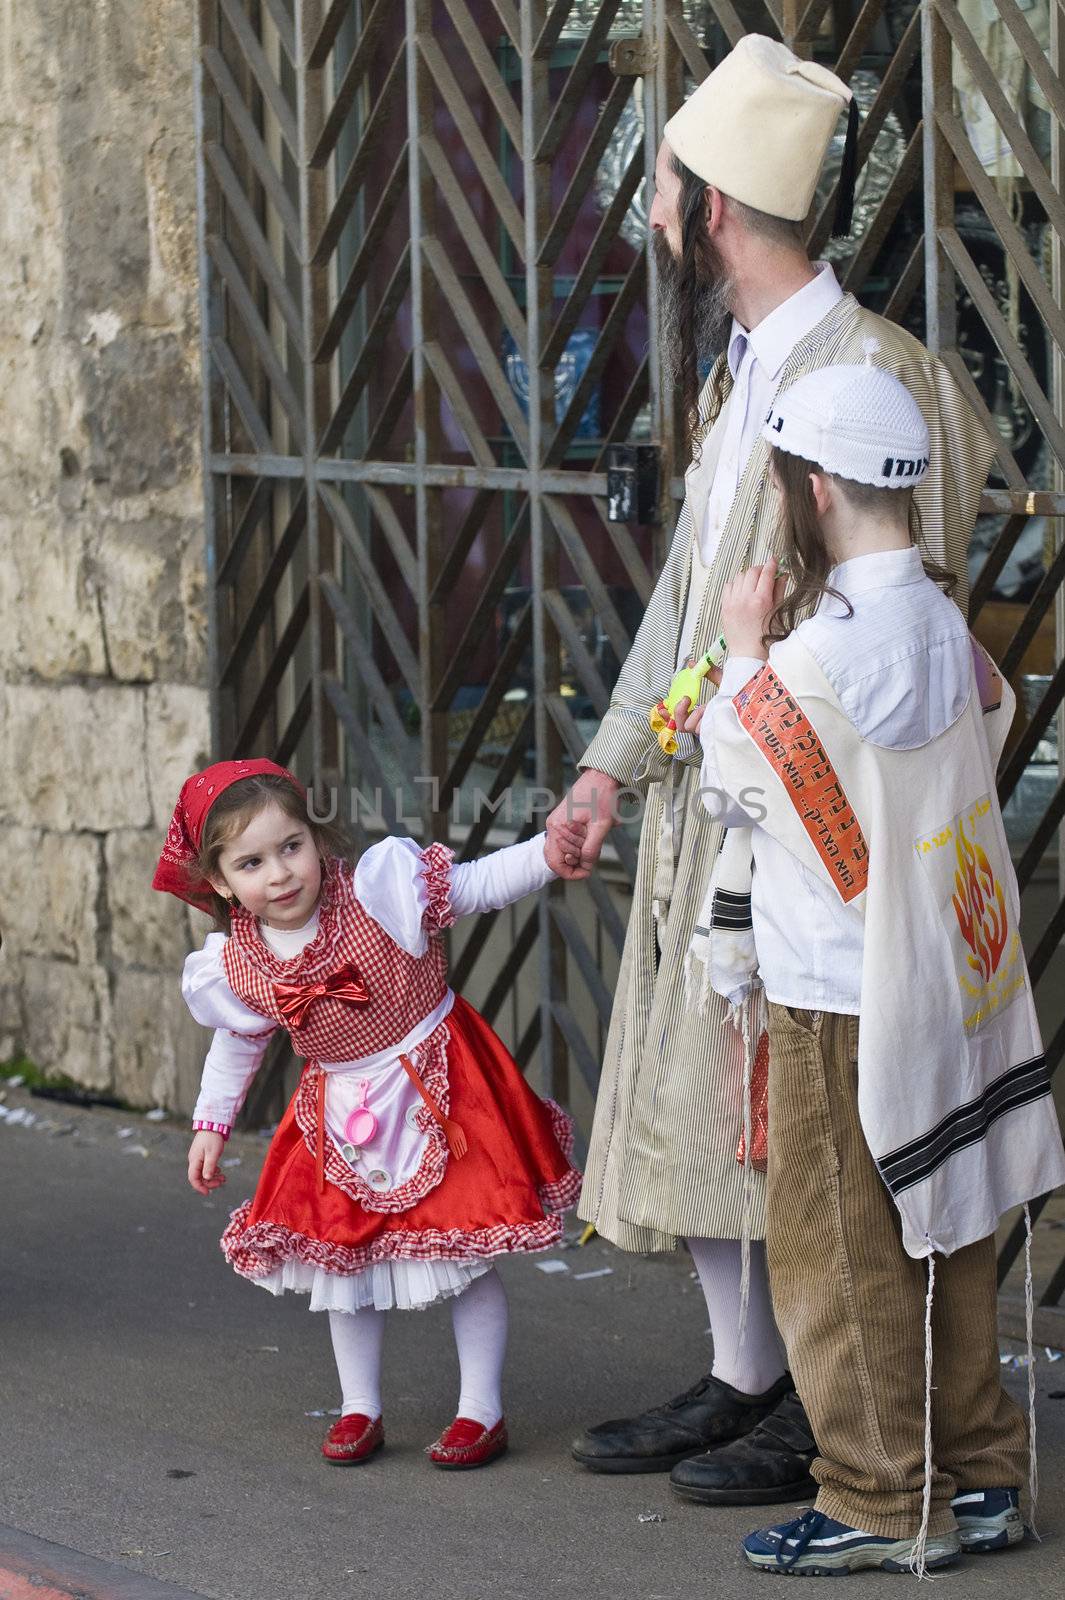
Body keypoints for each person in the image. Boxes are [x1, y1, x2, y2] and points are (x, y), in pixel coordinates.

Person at [554, 34, 996, 1503]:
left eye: (664, 185)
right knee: (713, 1109)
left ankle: (824, 1402)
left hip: (814, 827)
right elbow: (686, 594)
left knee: (800, 1125)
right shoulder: (741, 371)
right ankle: (749, 1378)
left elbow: (914, 611)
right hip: (712, 797)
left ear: (716, 209)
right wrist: (610, 765)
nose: (652, 211)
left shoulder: (877, 376)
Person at [680, 362, 1065, 1574]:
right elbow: (991, 720)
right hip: (955, 969)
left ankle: (877, 1493)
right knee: (949, 1224)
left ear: (818, 487)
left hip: (842, 990)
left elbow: (745, 774)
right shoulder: (944, 623)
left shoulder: (809, 658)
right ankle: (983, 1472)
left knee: (841, 1246)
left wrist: (741, 653)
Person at [152, 759, 584, 1469]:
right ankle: (359, 1406)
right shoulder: (237, 963)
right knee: (343, 1267)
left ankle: (480, 1409)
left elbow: (475, 884)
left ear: (317, 840)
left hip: (439, 1086)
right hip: (340, 1107)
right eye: (252, 862)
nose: (281, 873)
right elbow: (237, 1043)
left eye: (291, 846)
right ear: (223, 883)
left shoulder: (382, 891)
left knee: (464, 1254)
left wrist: (544, 851)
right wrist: (210, 1124)